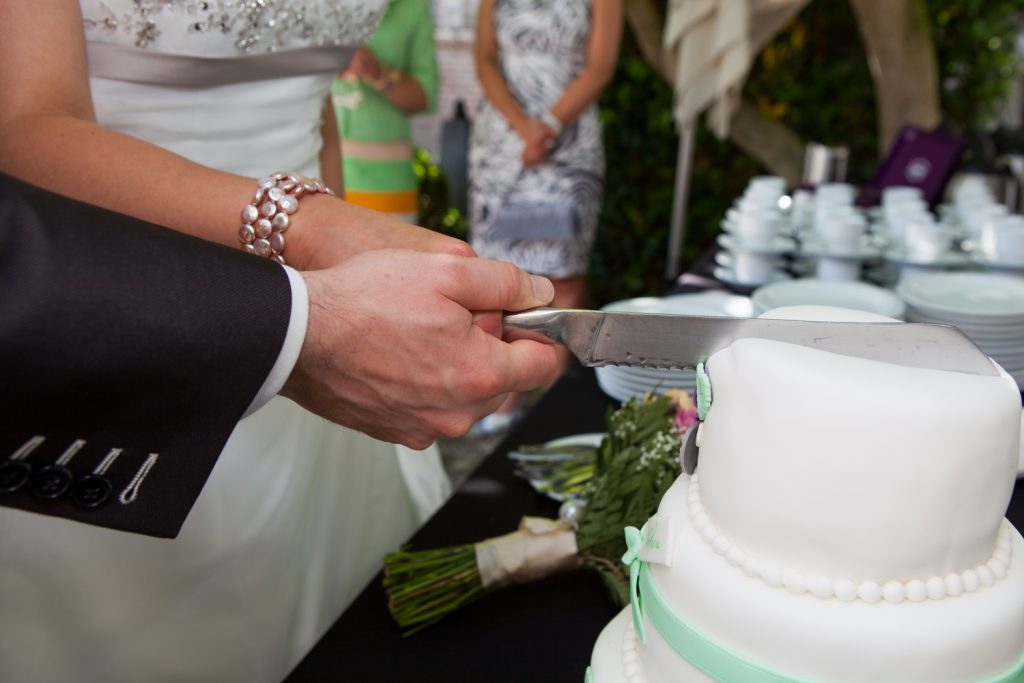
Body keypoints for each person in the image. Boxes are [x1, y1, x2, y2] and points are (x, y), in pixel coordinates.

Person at [0, 1, 554, 680]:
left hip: (326, 310)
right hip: (128, 306)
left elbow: (309, 93)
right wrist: (309, 227)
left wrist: (358, 269)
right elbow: (24, 127)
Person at [0, 173, 559, 536]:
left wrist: (359, 250)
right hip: (138, 290)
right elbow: (22, 131)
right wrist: (302, 241)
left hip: (338, 271)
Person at [468, 0, 622, 428]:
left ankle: (553, 410)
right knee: (497, 278)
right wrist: (523, 126)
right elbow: (484, 58)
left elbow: (601, 66)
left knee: (564, 278)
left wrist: (548, 125)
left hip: (567, 150)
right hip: (504, 146)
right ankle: (503, 403)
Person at [332, 0, 439, 223]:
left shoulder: (411, 7)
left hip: (386, 180)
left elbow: (426, 96)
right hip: (315, 171)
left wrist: (380, 74)